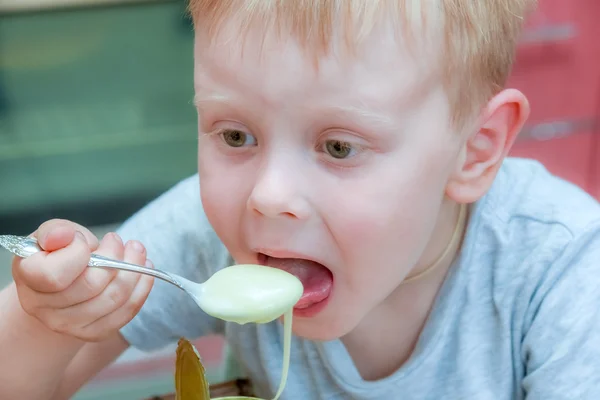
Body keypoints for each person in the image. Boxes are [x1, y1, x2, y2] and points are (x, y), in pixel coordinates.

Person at [2, 0, 600, 399]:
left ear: (474, 150)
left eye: (338, 147)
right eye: (236, 136)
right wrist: (49, 320)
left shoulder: (563, 270)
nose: (269, 196)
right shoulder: (212, 236)